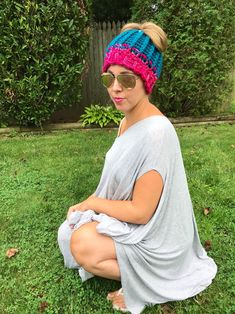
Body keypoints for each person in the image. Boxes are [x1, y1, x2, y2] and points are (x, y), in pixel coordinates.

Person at [58, 22, 217, 314]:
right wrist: (87, 206)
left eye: (127, 80)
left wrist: (93, 203)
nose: (115, 89)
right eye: (110, 78)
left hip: (155, 237)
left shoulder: (156, 132)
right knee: (69, 233)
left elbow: (142, 213)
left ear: (147, 81)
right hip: (132, 220)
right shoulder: (126, 119)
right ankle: (136, 270)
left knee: (82, 245)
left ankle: (150, 279)